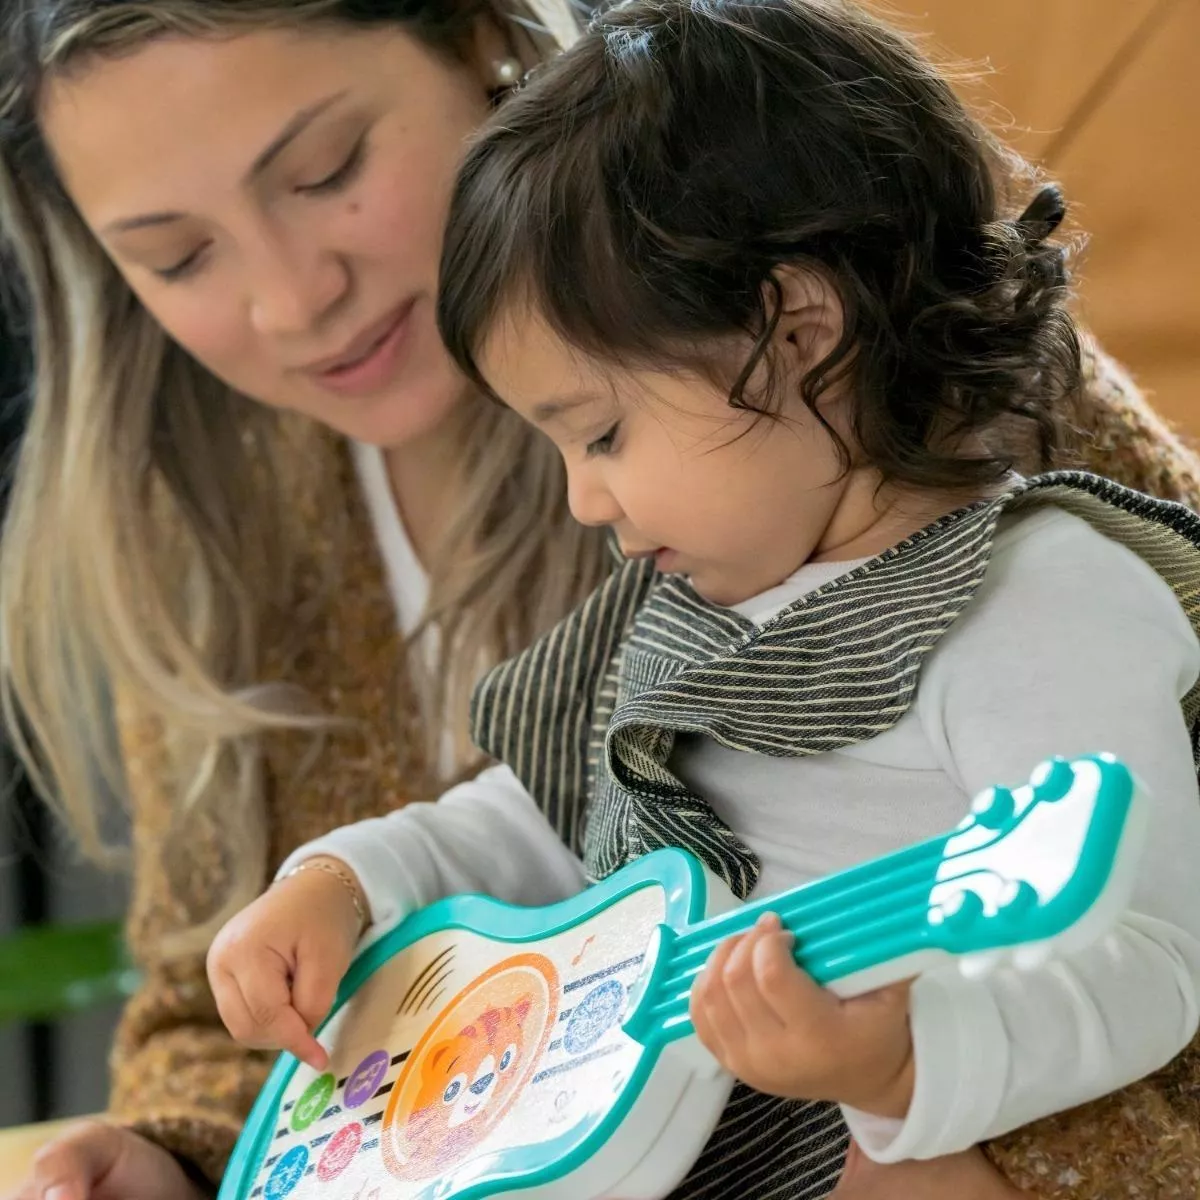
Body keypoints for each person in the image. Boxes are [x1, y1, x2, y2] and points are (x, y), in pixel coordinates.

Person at [0, 1, 1196, 1200]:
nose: (291, 299)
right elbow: (504, 836)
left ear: (483, 43)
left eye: (326, 170)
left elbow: (1150, 958)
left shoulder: (997, 515)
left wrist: (967, 1130)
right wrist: (182, 1153)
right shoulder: (230, 517)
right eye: (179, 256)